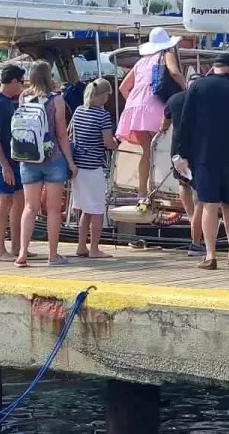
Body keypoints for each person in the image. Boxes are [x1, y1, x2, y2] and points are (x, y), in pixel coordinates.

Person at [176, 53, 229, 270]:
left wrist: (180, 154)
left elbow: (185, 124)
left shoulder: (197, 87)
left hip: (204, 156)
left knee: (209, 206)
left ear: (214, 68)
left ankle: (211, 255)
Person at [15, 60, 77, 267]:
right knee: (52, 209)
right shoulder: (56, 100)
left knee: (29, 207)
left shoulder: (23, 97)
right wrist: (70, 162)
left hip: (28, 157)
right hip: (53, 158)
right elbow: (61, 133)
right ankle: (52, 255)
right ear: (49, 76)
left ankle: (22, 253)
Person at [117, 27, 185, 205]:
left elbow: (123, 88)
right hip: (155, 107)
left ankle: (142, 193)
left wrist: (136, 104)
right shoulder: (166, 54)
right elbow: (174, 72)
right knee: (165, 150)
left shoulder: (140, 62)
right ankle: (168, 195)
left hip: (133, 109)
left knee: (147, 152)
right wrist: (188, 90)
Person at [70, 78, 116, 259]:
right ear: (103, 95)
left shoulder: (79, 111)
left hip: (78, 167)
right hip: (94, 166)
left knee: (84, 209)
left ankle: (82, 246)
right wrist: (117, 143)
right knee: (96, 210)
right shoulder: (102, 116)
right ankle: (95, 249)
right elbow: (108, 143)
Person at [0, 65, 26, 262]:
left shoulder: (8, 101)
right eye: (21, 82)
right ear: (14, 82)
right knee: (4, 202)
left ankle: (17, 246)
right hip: (0, 159)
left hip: (13, 158)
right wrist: (4, 166)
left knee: (19, 199)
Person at [160, 83, 201, 256]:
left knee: (183, 183)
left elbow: (165, 123)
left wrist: (162, 129)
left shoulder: (174, 99)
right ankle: (197, 234)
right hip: (199, 148)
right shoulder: (203, 100)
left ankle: (192, 218)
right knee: (200, 191)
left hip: (177, 150)